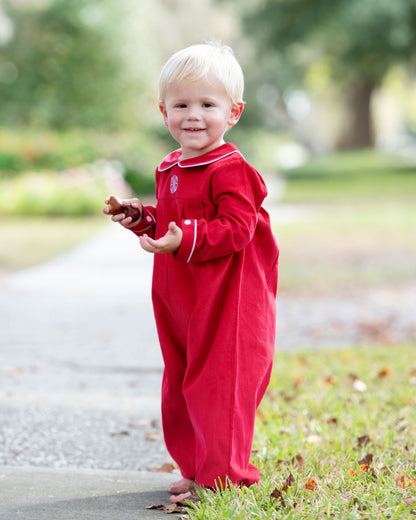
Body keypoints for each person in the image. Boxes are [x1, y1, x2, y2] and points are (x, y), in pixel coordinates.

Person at [103, 42, 279, 503]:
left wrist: (186, 238)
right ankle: (195, 467)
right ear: (164, 112)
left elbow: (237, 229)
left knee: (219, 385)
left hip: (228, 297)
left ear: (233, 112)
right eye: (181, 105)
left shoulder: (232, 169)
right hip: (180, 292)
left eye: (207, 104)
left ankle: (220, 480)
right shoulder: (171, 167)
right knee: (180, 380)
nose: (193, 115)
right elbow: (173, 218)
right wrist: (141, 217)